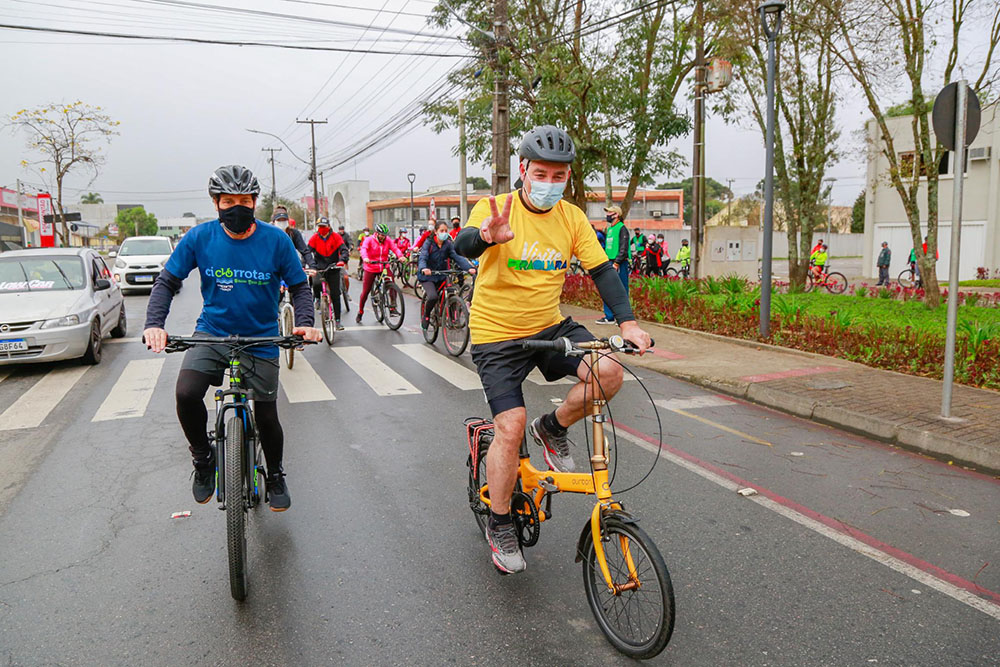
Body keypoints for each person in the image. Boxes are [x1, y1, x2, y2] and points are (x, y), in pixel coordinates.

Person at [453, 125, 652, 574]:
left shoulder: (571, 217)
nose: (548, 182)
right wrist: (486, 237)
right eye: (540, 173)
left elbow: (603, 272)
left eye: (558, 176)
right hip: (497, 335)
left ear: (567, 177)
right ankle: (499, 521)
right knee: (509, 427)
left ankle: (552, 426)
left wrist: (629, 324)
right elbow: (462, 245)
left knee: (610, 372)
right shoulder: (494, 207)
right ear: (523, 169)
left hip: (549, 325)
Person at [143, 165, 322, 511]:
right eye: (228, 201)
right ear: (216, 203)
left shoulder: (276, 240)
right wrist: (154, 324)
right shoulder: (199, 238)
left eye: (244, 201)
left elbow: (300, 287)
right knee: (185, 394)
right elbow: (167, 282)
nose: (236, 208)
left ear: (254, 202)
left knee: (267, 415)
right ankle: (203, 459)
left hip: (262, 336)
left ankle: (275, 475)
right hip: (212, 332)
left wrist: (304, 323)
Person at [418, 219, 476, 329]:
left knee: (452, 292)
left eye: (446, 231)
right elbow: (423, 257)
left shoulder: (448, 245)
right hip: (428, 276)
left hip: (442, 274)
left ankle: (453, 318)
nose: (444, 233)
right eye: (442, 231)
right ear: (436, 231)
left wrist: (469, 268)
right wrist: (423, 268)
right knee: (433, 296)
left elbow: (457, 257)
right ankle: (426, 315)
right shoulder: (428, 243)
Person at [308, 217, 349, 329]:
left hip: (333, 267)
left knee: (335, 294)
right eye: (320, 227)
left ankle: (338, 321)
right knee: (316, 283)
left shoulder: (336, 237)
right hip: (319, 267)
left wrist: (342, 260)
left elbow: (344, 250)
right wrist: (307, 264)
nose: (322, 229)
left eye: (324, 226)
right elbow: (307, 252)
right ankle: (317, 298)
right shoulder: (315, 238)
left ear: (329, 227)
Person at [357, 223, 403, 323]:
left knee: (392, 283)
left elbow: (395, 249)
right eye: (381, 235)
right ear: (377, 233)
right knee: (365, 291)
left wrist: (400, 256)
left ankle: (392, 307)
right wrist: (365, 258)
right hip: (371, 267)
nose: (383, 237)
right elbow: (364, 249)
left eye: (385, 235)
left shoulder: (388, 240)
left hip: (384, 266)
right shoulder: (369, 240)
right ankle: (360, 311)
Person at [596, 205, 630, 324]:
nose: (607, 215)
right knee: (607, 289)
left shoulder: (622, 228)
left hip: (619, 263)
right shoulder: (610, 229)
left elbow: (623, 248)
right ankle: (609, 316)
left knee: (621, 290)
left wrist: (617, 263)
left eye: (610, 213)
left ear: (616, 215)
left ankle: (623, 317)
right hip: (609, 261)